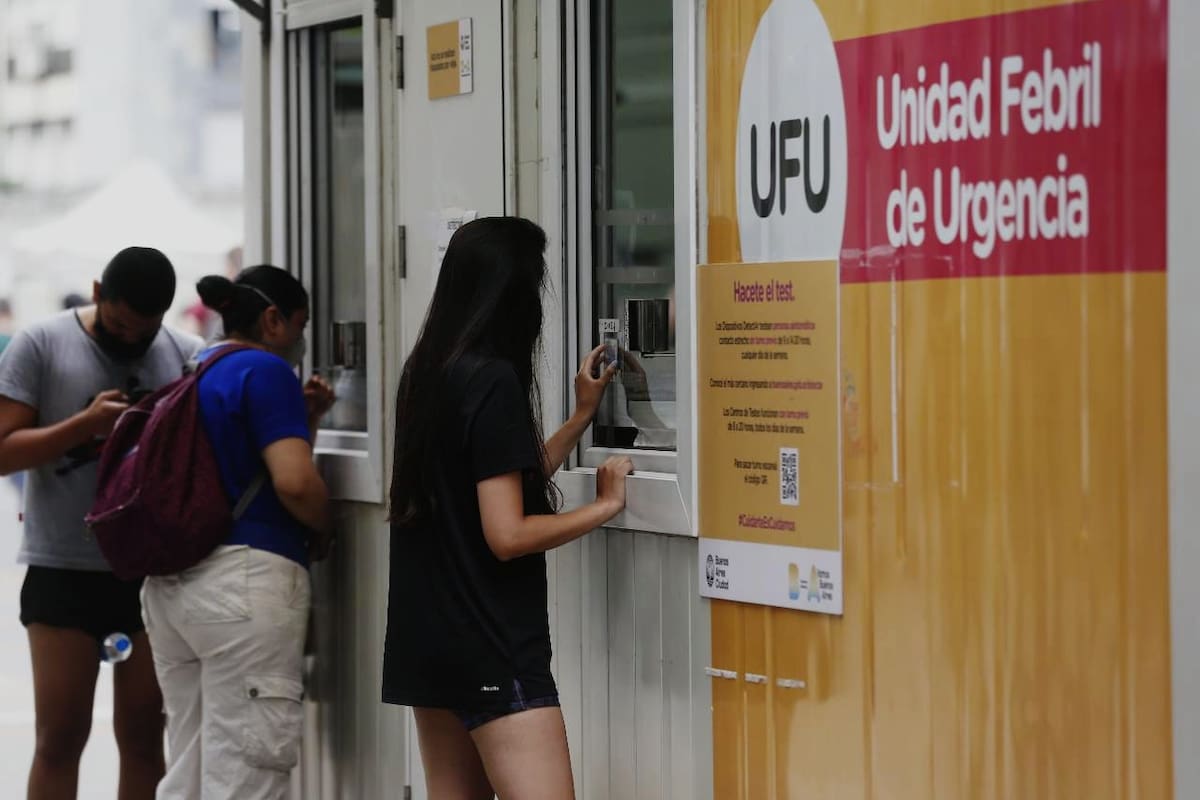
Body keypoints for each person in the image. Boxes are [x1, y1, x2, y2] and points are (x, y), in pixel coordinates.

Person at [382, 217, 634, 799]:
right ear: (514, 292)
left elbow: (489, 487)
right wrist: (605, 505)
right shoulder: (492, 379)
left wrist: (577, 420)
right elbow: (506, 532)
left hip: (427, 644)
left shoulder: (426, 372)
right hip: (490, 646)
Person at [0, 247, 203, 800]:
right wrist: (84, 425)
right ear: (96, 293)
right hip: (63, 569)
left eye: (145, 330)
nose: (131, 340)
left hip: (150, 577)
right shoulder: (41, 344)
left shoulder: (186, 355)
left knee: (142, 738)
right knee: (59, 738)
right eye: (118, 326)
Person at [141, 265, 335, 800]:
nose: (300, 339)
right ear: (274, 319)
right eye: (301, 324)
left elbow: (238, 466)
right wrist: (326, 524)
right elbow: (295, 483)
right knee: (245, 775)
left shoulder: (196, 367)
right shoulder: (266, 371)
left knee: (191, 766)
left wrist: (306, 420)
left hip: (174, 589)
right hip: (242, 589)